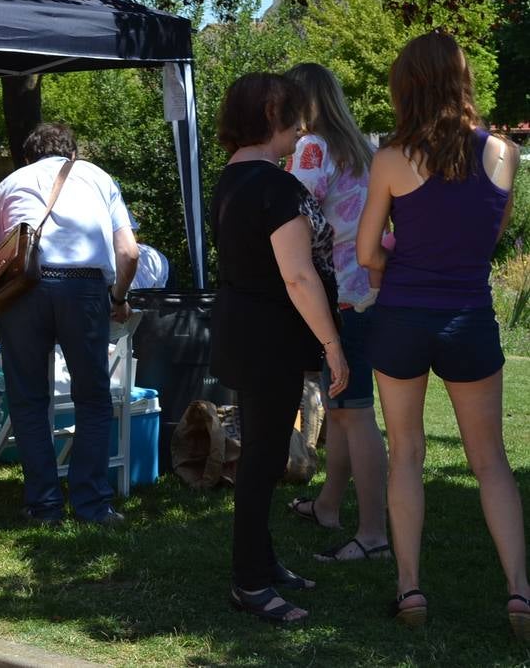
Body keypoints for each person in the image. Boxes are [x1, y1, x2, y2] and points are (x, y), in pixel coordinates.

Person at [356, 32, 529, 637]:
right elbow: (490, 235)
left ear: (407, 87)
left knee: (405, 453)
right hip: (469, 317)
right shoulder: (504, 155)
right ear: (462, 81)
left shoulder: (390, 157)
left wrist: (391, 260)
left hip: (402, 316)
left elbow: (365, 251)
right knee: (491, 464)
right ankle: (520, 593)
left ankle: (410, 589)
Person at [210, 73, 348, 624]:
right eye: (295, 117)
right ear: (272, 113)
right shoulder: (275, 187)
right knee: (263, 460)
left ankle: (262, 563)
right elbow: (298, 277)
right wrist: (332, 345)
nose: (303, 129)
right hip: (270, 335)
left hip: (247, 329)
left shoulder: (235, 179)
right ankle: (249, 582)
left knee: (263, 457)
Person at [0, 122, 138, 526]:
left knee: (28, 398)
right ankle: (92, 504)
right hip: (84, 289)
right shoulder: (98, 177)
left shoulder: (8, 184)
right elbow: (129, 252)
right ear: (72, 154)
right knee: (92, 399)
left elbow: (6, 252)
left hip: (26, 292)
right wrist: (119, 298)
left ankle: (44, 504)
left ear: (27, 156)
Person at [282, 62, 391, 564]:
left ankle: (373, 535)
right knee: (346, 410)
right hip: (374, 289)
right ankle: (328, 505)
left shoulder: (312, 148)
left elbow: (291, 210)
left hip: (342, 296)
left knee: (356, 413)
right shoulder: (367, 149)